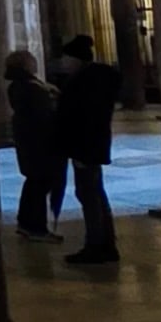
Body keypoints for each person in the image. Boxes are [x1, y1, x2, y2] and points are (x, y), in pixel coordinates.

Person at [53, 34, 123, 264]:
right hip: (92, 144)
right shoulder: (97, 81)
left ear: (76, 60)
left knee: (89, 194)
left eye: (66, 58)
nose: (63, 62)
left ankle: (96, 245)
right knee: (95, 194)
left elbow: (82, 118)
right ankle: (105, 243)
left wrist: (79, 150)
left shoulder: (84, 83)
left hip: (85, 146)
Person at [6, 52, 63, 241]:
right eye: (31, 61)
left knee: (33, 183)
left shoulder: (20, 85)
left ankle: (25, 222)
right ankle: (36, 227)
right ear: (25, 65)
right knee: (40, 183)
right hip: (40, 143)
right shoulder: (31, 88)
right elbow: (43, 115)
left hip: (29, 142)